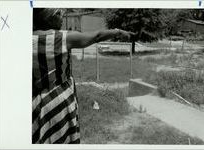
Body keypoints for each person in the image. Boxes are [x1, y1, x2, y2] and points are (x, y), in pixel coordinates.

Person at [32, 8, 134, 144]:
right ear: (49, 17)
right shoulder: (61, 38)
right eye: (58, 13)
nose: (62, 16)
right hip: (59, 102)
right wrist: (118, 32)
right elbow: (96, 36)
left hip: (36, 103)